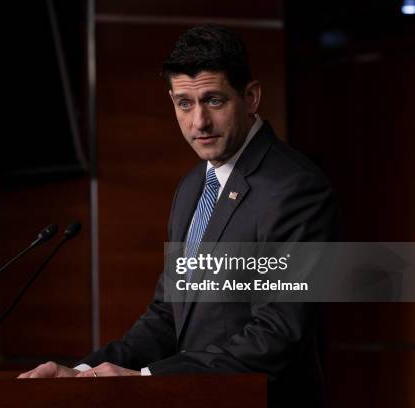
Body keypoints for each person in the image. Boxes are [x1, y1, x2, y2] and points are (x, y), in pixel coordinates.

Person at [18, 24, 335, 408]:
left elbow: (278, 332)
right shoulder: (191, 188)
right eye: (185, 103)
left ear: (250, 97)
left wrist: (149, 378)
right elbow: (168, 314)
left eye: (213, 101)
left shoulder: (294, 187)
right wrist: (85, 373)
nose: (198, 122)